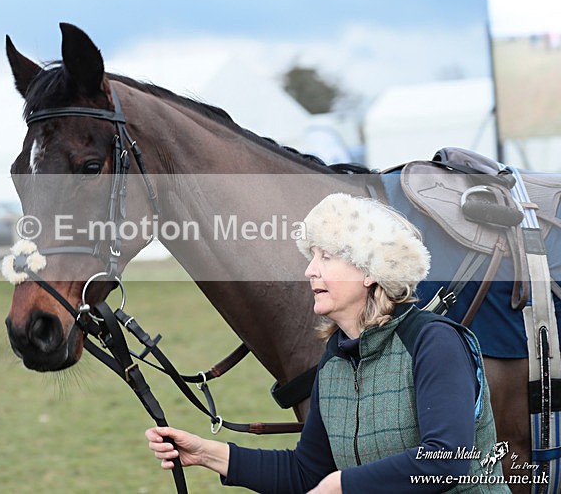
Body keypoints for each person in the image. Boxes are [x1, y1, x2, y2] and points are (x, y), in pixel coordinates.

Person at [146, 193, 507, 493]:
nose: (310, 270)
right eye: (313, 256)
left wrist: (342, 485)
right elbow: (307, 472)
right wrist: (208, 453)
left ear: (370, 271)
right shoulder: (335, 359)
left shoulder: (434, 342)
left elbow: (448, 459)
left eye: (327, 257)